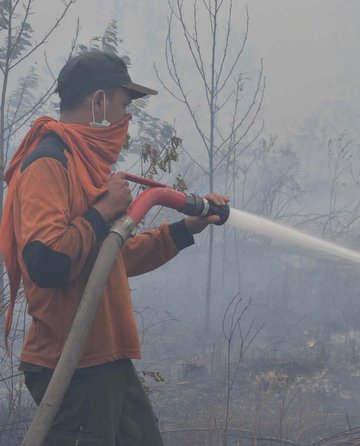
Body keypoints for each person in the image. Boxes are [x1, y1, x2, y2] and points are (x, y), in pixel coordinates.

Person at [0, 50, 227, 445]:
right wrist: (103, 210)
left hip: (105, 359)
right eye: (124, 105)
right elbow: (47, 262)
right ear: (99, 102)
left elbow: (112, 256)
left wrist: (186, 228)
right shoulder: (47, 163)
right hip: (69, 366)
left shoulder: (84, 166)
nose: (127, 118)